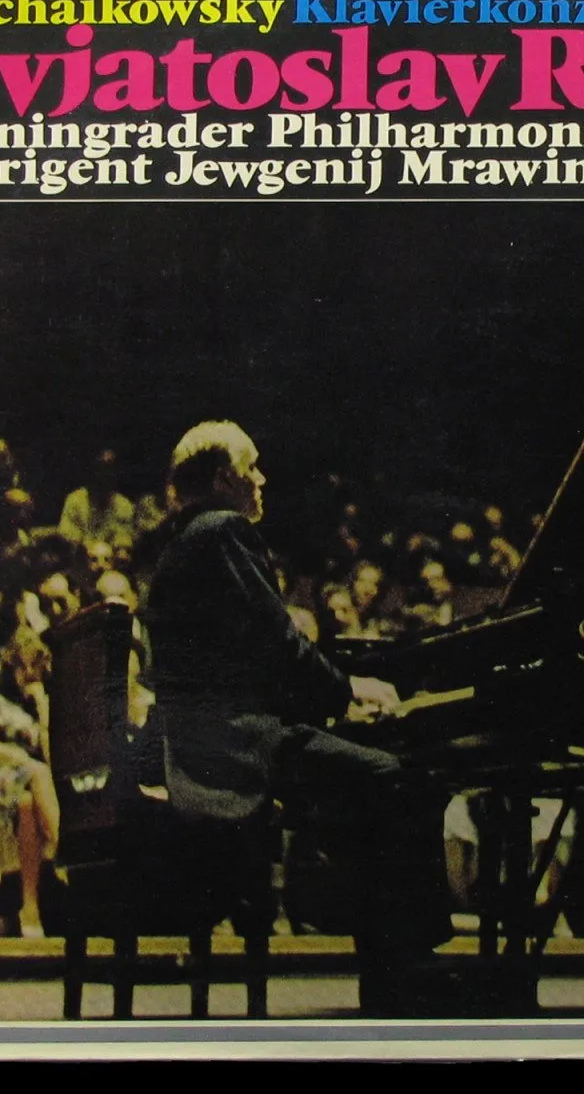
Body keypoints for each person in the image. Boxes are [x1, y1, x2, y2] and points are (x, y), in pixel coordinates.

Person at [145, 420, 453, 1005]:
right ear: (223, 479)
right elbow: (278, 644)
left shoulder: (181, 544)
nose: (262, 480)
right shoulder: (223, 531)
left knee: (364, 775)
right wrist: (349, 690)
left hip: (206, 743)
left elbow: (245, 659)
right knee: (398, 779)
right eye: (252, 468)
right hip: (240, 746)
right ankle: (408, 970)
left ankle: (385, 962)